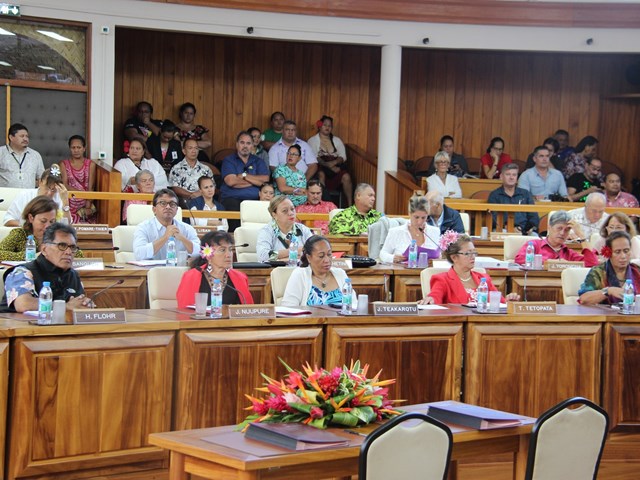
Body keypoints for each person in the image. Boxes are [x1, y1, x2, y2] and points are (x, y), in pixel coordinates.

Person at [2, 223, 93, 312]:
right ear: (44, 249)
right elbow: (23, 304)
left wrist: (84, 304)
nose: (68, 252)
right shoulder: (22, 272)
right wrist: (65, 306)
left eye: (72, 247)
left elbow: (76, 304)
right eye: (62, 246)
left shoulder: (73, 275)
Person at [420, 233, 520, 304]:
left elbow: (500, 302)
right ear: (454, 257)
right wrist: (431, 300)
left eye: (474, 252)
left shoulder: (484, 278)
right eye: (468, 253)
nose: (473, 257)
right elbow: (435, 296)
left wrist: (509, 301)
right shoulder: (442, 279)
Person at [176, 231, 253, 308]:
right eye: (222, 250)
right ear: (208, 255)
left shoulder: (240, 277)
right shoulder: (191, 277)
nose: (228, 255)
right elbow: (184, 309)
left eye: (230, 249)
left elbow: (248, 310)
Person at [0, 196, 83, 262]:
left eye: (52, 221)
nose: (48, 226)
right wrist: (33, 256)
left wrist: (58, 253)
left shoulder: (57, 236)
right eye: (43, 221)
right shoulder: (20, 234)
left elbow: (79, 254)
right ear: (31, 218)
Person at [281, 235, 352, 307]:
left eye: (329, 254)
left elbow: (353, 305)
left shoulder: (340, 274)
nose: (327, 260)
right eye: (321, 256)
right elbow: (288, 307)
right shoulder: (300, 275)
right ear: (309, 258)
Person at [220, 131, 271, 231]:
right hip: (232, 199)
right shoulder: (229, 160)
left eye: (248, 143)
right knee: (232, 207)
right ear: (237, 144)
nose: (245, 146)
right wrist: (255, 181)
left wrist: (244, 176)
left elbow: (265, 180)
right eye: (242, 142)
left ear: (252, 146)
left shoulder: (258, 161)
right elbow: (231, 181)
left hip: (255, 199)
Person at [133, 189, 200, 261]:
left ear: (176, 210)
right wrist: (165, 237)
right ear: (154, 209)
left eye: (172, 204)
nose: (168, 207)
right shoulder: (143, 228)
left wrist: (182, 238)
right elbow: (139, 255)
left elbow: (200, 253)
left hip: (178, 268)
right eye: (163, 203)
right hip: (152, 268)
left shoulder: (187, 228)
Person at [514, 210, 599, 266]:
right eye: (559, 228)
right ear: (549, 228)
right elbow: (520, 260)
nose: (562, 233)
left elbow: (593, 264)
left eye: (567, 230)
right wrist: (553, 263)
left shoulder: (569, 254)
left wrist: (582, 236)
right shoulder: (534, 245)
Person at [578, 231, 640, 305]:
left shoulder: (637, 271)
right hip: (604, 312)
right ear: (608, 252)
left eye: (626, 251)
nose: (623, 256)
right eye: (617, 252)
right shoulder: (598, 272)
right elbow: (583, 299)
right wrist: (608, 291)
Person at [307, 115, 353, 206]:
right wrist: (328, 166)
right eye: (325, 125)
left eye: (329, 126)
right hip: (320, 167)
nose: (327, 127)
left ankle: (350, 205)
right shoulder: (312, 140)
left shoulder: (337, 140)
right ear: (320, 126)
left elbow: (343, 156)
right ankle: (323, 204)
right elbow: (314, 157)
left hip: (335, 167)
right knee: (321, 175)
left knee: (346, 176)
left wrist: (334, 163)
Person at [379, 196, 440, 263]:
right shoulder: (396, 232)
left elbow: (439, 254)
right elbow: (382, 254)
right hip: (402, 269)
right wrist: (393, 258)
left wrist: (438, 257)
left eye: (423, 218)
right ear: (409, 214)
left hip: (428, 269)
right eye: (416, 217)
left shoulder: (435, 231)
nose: (419, 222)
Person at [4, 166, 72, 226]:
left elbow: (66, 224)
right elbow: (8, 220)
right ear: (40, 182)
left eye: (53, 190)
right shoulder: (25, 195)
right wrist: (28, 226)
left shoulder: (59, 198)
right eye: (47, 187)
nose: (49, 193)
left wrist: (65, 202)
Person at [256, 196, 312, 263]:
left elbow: (314, 252)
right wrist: (294, 251)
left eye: (292, 209)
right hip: (275, 269)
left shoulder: (303, 230)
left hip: (300, 268)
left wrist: (281, 257)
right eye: (285, 211)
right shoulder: (267, 231)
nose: (291, 213)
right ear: (274, 215)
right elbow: (262, 255)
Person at [488, 163, 538, 234]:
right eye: (508, 174)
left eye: (514, 175)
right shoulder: (494, 195)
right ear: (501, 176)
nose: (511, 177)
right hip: (502, 230)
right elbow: (493, 217)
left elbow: (533, 216)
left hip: (524, 230)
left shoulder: (526, 194)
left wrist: (525, 228)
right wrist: (509, 228)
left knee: (535, 237)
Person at [60, 135, 97, 223]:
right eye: (73, 147)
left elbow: (91, 187)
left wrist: (88, 207)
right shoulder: (63, 164)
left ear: (84, 148)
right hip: (68, 204)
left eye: (79, 147)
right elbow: (64, 185)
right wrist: (79, 194)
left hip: (86, 203)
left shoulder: (90, 164)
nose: (76, 150)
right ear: (70, 148)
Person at [168, 138, 213, 205]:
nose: (194, 151)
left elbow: (212, 186)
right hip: (183, 201)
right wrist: (191, 195)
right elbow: (175, 188)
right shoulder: (176, 168)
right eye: (190, 148)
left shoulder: (206, 169)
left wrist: (200, 193)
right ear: (184, 151)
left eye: (196, 148)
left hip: (203, 200)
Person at [0, 123, 45, 189]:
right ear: (11, 137)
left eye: (27, 136)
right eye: (22, 136)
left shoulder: (35, 155)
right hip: (5, 195)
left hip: (29, 195)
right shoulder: (1, 153)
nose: (25, 139)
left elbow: (42, 178)